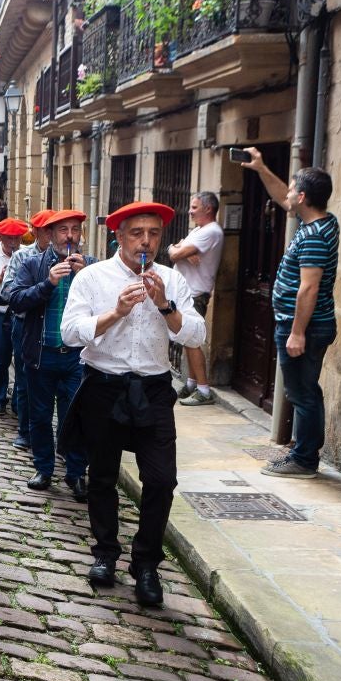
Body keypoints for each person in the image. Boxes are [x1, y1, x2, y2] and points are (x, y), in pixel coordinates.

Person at [60, 202, 206, 607]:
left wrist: (165, 306)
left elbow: (195, 335)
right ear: (120, 237)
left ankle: (146, 564)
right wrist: (115, 312)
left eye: (154, 233)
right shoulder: (92, 277)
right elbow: (70, 333)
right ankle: (105, 553)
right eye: (137, 232)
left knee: (161, 480)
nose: (146, 241)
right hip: (104, 386)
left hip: (154, 388)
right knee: (102, 476)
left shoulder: (172, 281)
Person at [241, 150, 339, 478]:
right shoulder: (324, 221)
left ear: (302, 197)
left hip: (304, 329)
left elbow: (308, 289)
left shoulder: (313, 237)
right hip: (308, 326)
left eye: (293, 187)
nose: (287, 193)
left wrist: (297, 332)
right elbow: (283, 196)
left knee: (302, 392)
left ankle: (304, 459)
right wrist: (261, 167)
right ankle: (304, 451)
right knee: (306, 389)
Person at [5, 208, 94, 501]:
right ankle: (43, 468)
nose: (70, 236)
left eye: (75, 230)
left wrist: (87, 278)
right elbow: (16, 301)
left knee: (76, 417)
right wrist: (48, 283)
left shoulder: (92, 268)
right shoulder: (32, 265)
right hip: (41, 354)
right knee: (41, 416)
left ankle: (76, 472)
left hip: (77, 356)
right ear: (51, 234)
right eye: (63, 230)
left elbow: (107, 308)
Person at [168, 191, 224, 406]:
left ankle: (204, 390)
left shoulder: (210, 231)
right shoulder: (200, 230)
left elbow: (173, 253)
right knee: (186, 339)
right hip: (188, 293)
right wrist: (179, 248)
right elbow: (175, 249)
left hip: (195, 294)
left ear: (208, 209)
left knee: (192, 340)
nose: (189, 211)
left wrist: (178, 249)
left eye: (194, 207)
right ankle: (191, 384)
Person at [6, 209, 55, 450]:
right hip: (26, 324)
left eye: (52, 229)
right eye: (46, 230)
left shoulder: (71, 258)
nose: (51, 234)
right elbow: (8, 292)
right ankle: (25, 431)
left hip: (55, 328)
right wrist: (39, 288)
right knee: (25, 378)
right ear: (35, 231)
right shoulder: (23, 257)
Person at [0, 218, 29, 416]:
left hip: (22, 312)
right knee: (0, 358)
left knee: (21, 359)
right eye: (9, 238)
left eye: (17, 238)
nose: (13, 243)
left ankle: (19, 401)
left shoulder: (27, 254)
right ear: (0, 237)